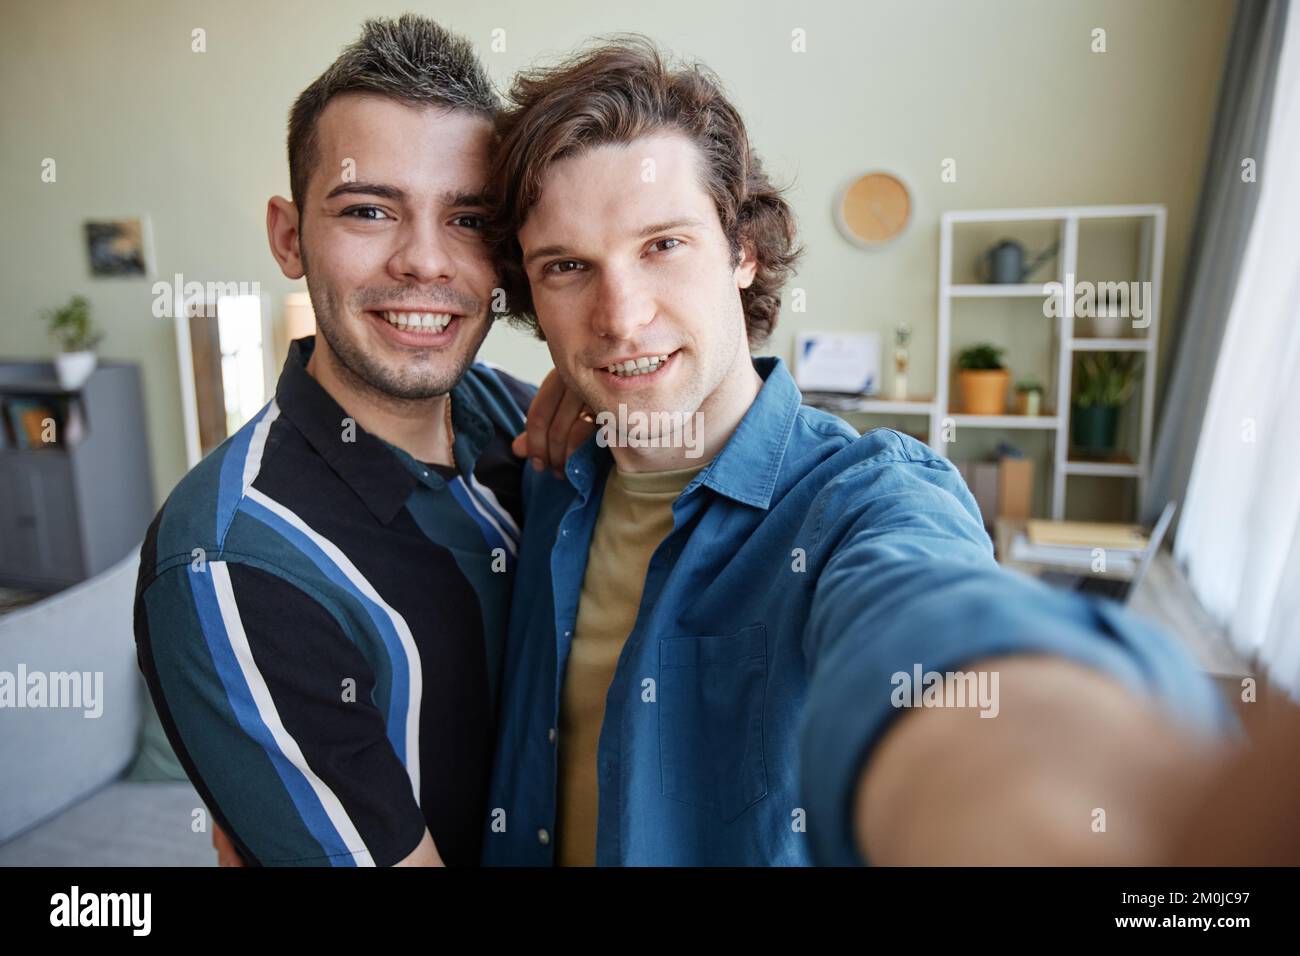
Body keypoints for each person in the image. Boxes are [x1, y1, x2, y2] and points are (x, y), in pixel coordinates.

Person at [480, 38, 1293, 867]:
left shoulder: (862, 499)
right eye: (569, 267)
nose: (620, 315)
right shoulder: (542, 474)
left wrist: (1089, 795)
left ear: (742, 251)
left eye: (663, 246)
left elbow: (930, 628)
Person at [134, 15, 584, 867]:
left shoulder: (529, 424)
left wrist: (605, 395)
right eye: (370, 210)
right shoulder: (235, 561)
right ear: (287, 236)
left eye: (468, 220)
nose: (424, 263)